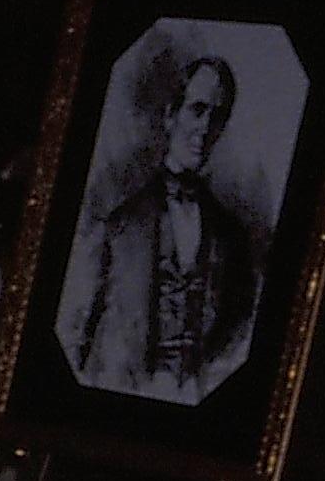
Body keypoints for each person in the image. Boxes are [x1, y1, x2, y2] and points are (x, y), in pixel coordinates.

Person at [60, 52, 261, 404]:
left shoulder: (231, 238)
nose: (205, 128)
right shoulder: (119, 226)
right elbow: (75, 336)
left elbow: (240, 336)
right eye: (197, 110)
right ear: (171, 115)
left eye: (217, 117)